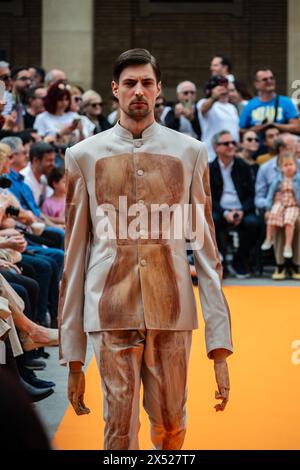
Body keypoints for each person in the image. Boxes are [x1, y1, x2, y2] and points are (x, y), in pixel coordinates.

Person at [59, 48, 233, 450]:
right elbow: (74, 256)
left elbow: (206, 252)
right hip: (108, 310)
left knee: (172, 427)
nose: (139, 90)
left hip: (172, 310)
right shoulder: (83, 156)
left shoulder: (189, 152)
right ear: (115, 90)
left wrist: (219, 347)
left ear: (159, 91)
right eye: (131, 83)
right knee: (118, 432)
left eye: (148, 83)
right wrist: (72, 355)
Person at [261, 153, 300, 259]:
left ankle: (288, 245)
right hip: (281, 203)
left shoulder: (298, 179)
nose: (288, 167)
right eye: (285, 165)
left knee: (289, 220)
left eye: (291, 164)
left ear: (296, 166)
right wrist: (268, 208)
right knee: (272, 215)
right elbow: (270, 194)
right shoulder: (278, 180)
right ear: (281, 168)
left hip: (293, 204)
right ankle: (269, 238)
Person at [197, 75, 239, 161]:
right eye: (220, 86)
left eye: (225, 86)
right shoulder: (204, 102)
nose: (224, 89)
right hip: (211, 155)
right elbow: (203, 109)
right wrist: (214, 97)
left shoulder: (232, 107)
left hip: (231, 153)